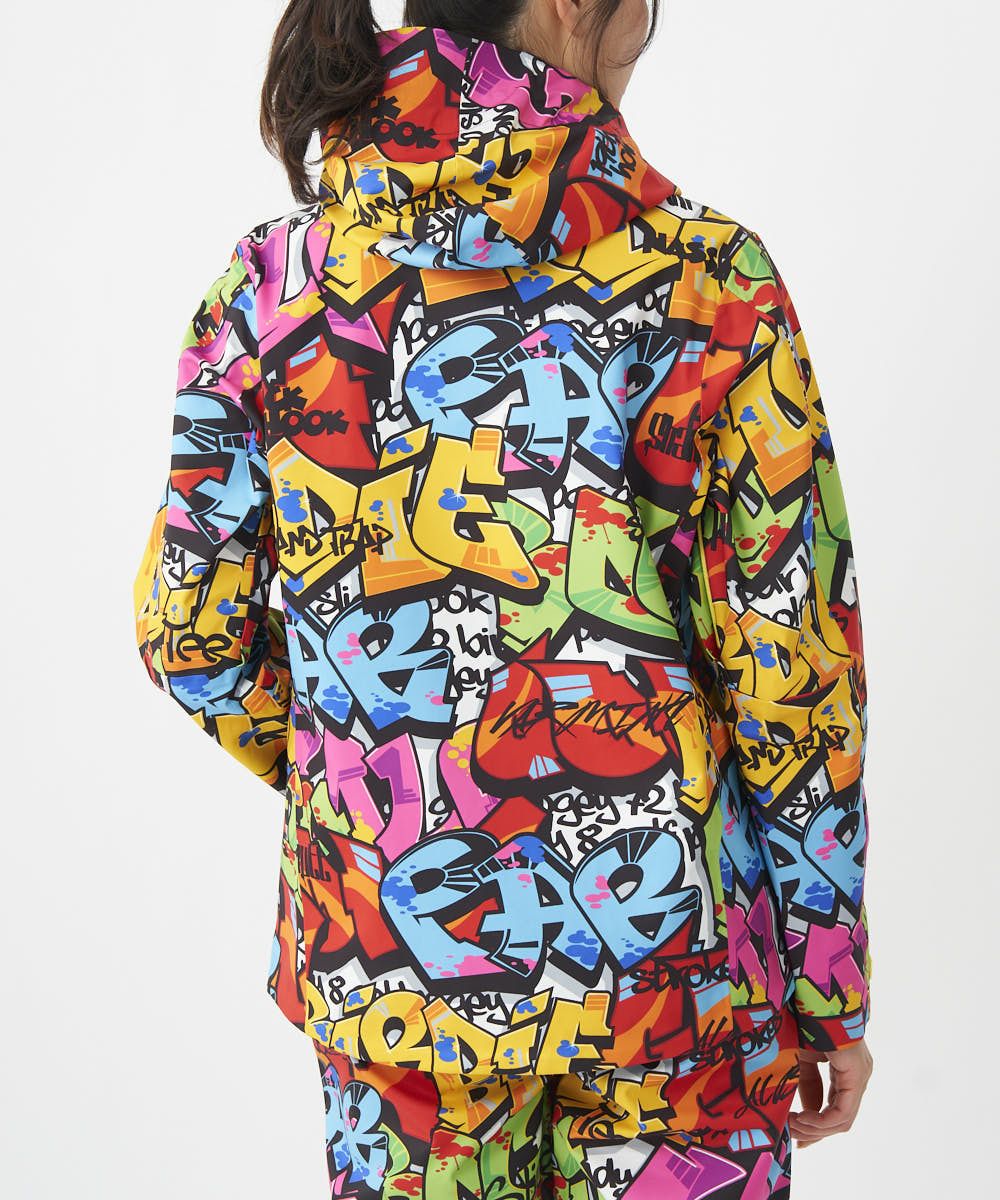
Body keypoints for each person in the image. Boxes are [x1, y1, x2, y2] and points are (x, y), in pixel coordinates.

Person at [131, 0, 875, 1194]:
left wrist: (372, 776)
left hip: (394, 971)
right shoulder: (708, 282)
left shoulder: (267, 292)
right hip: (675, 987)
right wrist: (825, 977)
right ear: (573, 6)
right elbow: (793, 666)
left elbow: (188, 633)